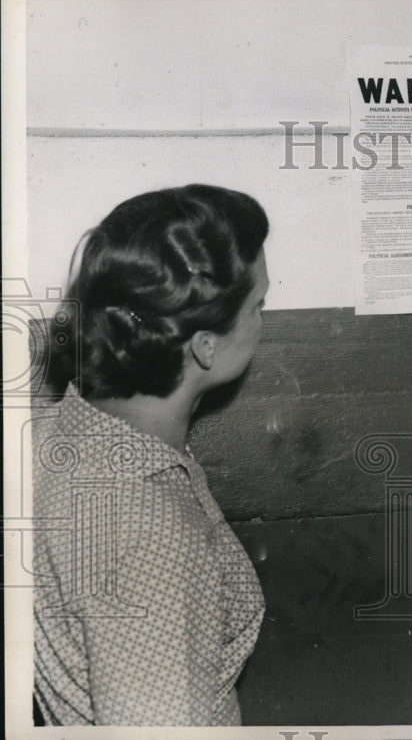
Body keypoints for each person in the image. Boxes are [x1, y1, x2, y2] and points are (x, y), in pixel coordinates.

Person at [33, 184, 270, 725]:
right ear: (206, 346)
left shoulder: (56, 429)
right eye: (260, 306)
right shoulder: (150, 534)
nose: (262, 321)